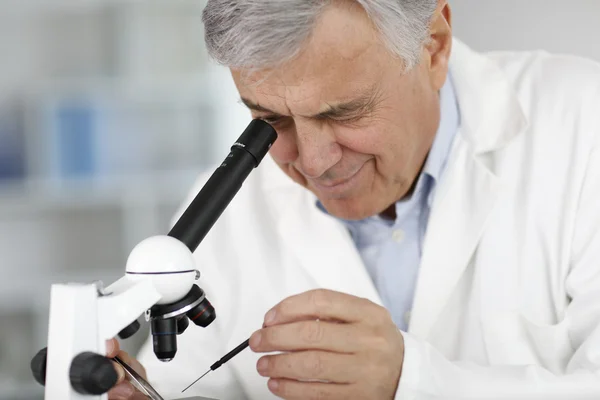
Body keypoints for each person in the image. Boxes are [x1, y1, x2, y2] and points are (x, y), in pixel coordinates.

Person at [106, 0, 600, 399]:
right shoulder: (223, 210)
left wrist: (414, 382)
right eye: (270, 122)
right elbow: (183, 386)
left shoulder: (583, 128)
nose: (315, 162)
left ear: (434, 47)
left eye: (346, 113)